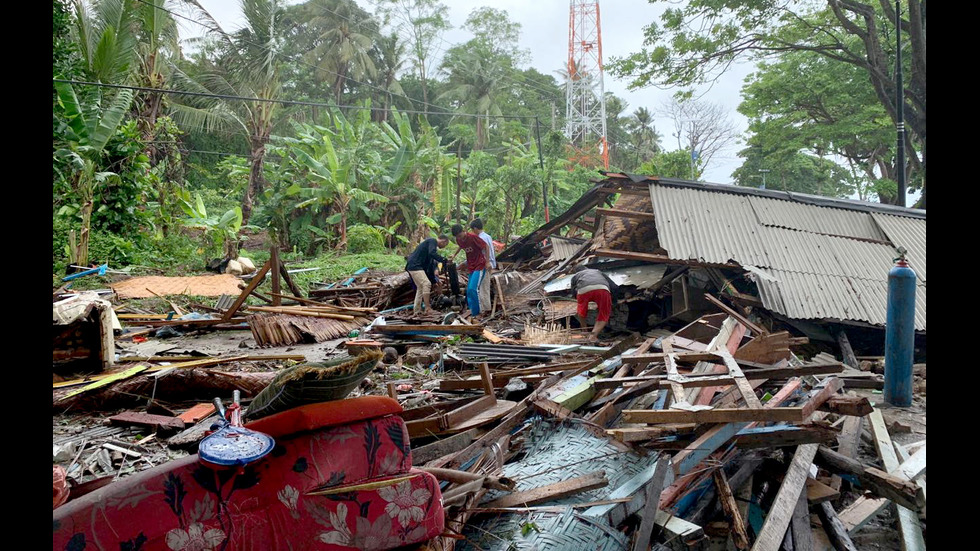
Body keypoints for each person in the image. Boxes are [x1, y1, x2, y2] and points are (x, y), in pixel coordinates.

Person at [570, 265, 619, 341]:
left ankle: (585, 332)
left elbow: (574, 292)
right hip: (602, 289)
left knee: (581, 310)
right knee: (604, 313)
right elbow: (614, 287)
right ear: (586, 268)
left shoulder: (575, 276)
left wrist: (580, 300)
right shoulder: (597, 271)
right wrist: (614, 301)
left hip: (583, 289)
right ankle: (593, 336)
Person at [450, 223, 489, 317]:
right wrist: (454, 255)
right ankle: (472, 312)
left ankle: (478, 312)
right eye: (457, 237)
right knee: (468, 291)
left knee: (473, 289)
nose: (459, 238)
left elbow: (486, 246)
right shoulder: (459, 239)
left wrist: (487, 262)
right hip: (471, 266)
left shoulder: (473, 237)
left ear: (464, 231)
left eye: (460, 235)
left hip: (480, 264)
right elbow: (461, 245)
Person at [405, 234, 449, 313]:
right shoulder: (432, 241)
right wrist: (443, 259)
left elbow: (429, 268)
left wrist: (434, 281)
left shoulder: (429, 247)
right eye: (445, 245)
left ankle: (417, 311)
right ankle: (427, 308)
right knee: (426, 283)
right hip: (415, 266)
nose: (444, 247)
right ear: (444, 241)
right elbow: (432, 253)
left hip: (413, 266)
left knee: (420, 288)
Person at [470, 218, 496, 313]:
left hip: (484, 264)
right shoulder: (487, 236)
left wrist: (487, 262)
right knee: (484, 287)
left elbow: (483, 252)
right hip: (489, 263)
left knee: (483, 288)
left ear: (475, 228)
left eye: (473, 230)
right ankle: (485, 308)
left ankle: (485, 309)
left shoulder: (480, 238)